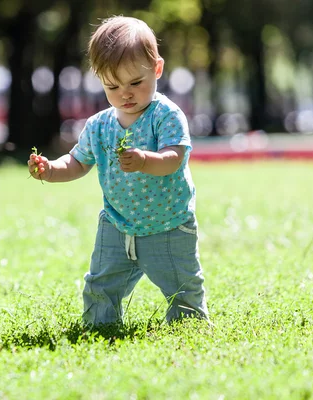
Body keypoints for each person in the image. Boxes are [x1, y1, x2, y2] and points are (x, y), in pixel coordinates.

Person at [28, 16, 209, 326]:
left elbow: (173, 158)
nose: (125, 93)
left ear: (157, 69)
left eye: (135, 83)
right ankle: (101, 327)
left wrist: (144, 160)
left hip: (168, 223)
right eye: (112, 86)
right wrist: (51, 169)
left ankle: (188, 327)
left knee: (183, 287)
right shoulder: (99, 125)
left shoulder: (165, 115)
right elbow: (78, 161)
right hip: (116, 224)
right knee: (100, 284)